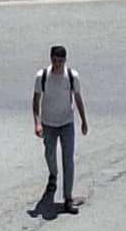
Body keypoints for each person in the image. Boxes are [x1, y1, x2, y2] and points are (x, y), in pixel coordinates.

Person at [33, 44, 88, 214]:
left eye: (60, 61)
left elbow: (78, 98)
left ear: (65, 60)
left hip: (66, 123)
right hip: (49, 123)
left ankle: (68, 198)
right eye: (54, 60)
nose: (57, 64)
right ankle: (53, 175)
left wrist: (84, 120)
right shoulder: (42, 76)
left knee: (68, 160)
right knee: (50, 154)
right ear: (51, 59)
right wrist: (37, 123)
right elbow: (35, 101)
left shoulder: (71, 76)